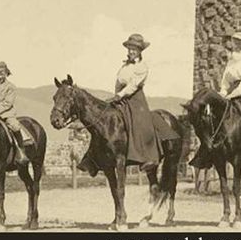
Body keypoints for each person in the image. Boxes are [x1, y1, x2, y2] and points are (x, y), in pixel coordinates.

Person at [77, 33, 179, 176]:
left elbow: (133, 85)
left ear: (140, 51)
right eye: (130, 48)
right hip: (120, 98)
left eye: (134, 49)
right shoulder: (124, 66)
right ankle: (92, 159)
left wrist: (120, 95)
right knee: (104, 122)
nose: (131, 51)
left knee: (139, 121)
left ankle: (148, 157)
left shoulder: (142, 66)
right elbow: (119, 82)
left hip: (135, 99)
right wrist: (115, 96)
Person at [190, 32, 241, 168]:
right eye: (235, 42)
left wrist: (235, 93)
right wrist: (222, 94)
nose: (236, 45)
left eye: (239, 43)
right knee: (210, 118)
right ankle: (206, 153)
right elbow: (225, 82)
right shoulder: (231, 62)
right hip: (230, 93)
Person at [0, 61, 31, 165]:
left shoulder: (11, 87)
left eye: (1, 73)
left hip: (6, 114)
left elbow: (7, 103)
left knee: (15, 126)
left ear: (6, 73)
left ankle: (21, 152)